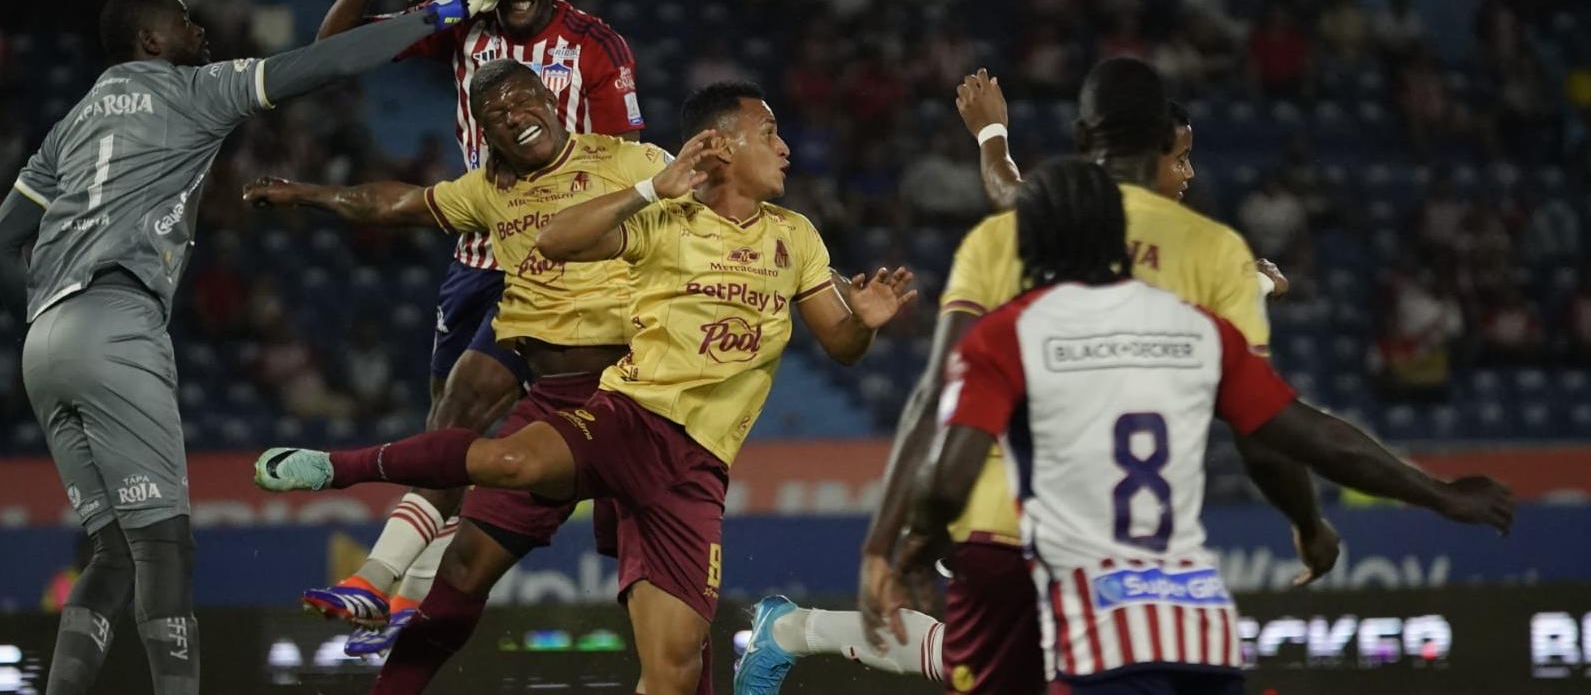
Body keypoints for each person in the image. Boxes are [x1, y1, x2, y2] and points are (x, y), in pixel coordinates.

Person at [252, 81, 918, 695]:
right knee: (494, 492)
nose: (786, 146)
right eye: (769, 132)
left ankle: (380, 567)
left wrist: (862, 324)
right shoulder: (645, 209)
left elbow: (842, 346)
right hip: (616, 412)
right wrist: (651, 190)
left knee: (675, 666)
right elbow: (552, 238)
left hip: (692, 463)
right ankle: (340, 472)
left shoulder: (779, 228)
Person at [733, 62, 1308, 695]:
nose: (1190, 175)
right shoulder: (1096, 225)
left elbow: (1011, 190)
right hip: (1008, 479)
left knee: (997, 658)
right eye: (1182, 159)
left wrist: (993, 134)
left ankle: (791, 631)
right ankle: (793, 631)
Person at [0, 0, 499, 692]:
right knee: (164, 550)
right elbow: (326, 63)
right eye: (181, 18)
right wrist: (445, 12)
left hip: (43, 342)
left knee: (111, 552)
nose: (196, 26)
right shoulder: (192, 90)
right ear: (150, 40)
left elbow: (7, 229)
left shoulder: (70, 123)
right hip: (117, 325)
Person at [886, 157, 1513, 695]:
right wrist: (1439, 494)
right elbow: (1313, 436)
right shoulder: (1195, 330)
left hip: (1100, 634)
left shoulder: (1011, 337)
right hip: (1198, 632)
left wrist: (915, 547)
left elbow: (946, 479)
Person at [242, 60, 666, 689]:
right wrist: (308, 194)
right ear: (484, 135)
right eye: (497, 117)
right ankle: (392, 589)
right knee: (465, 564)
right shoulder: (489, 190)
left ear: (551, 99)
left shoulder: (628, 162)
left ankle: (346, 485)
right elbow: (395, 204)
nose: (515, 119)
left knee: (663, 614)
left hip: (633, 395)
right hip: (550, 399)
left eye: (522, 101)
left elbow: (712, 219)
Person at [302, 0, 645, 645]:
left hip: (558, 264)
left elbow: (621, 171)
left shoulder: (594, 44)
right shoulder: (457, 22)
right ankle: (404, 597)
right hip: (475, 255)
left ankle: (392, 588)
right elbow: (333, 49)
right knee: (449, 429)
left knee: (464, 418)